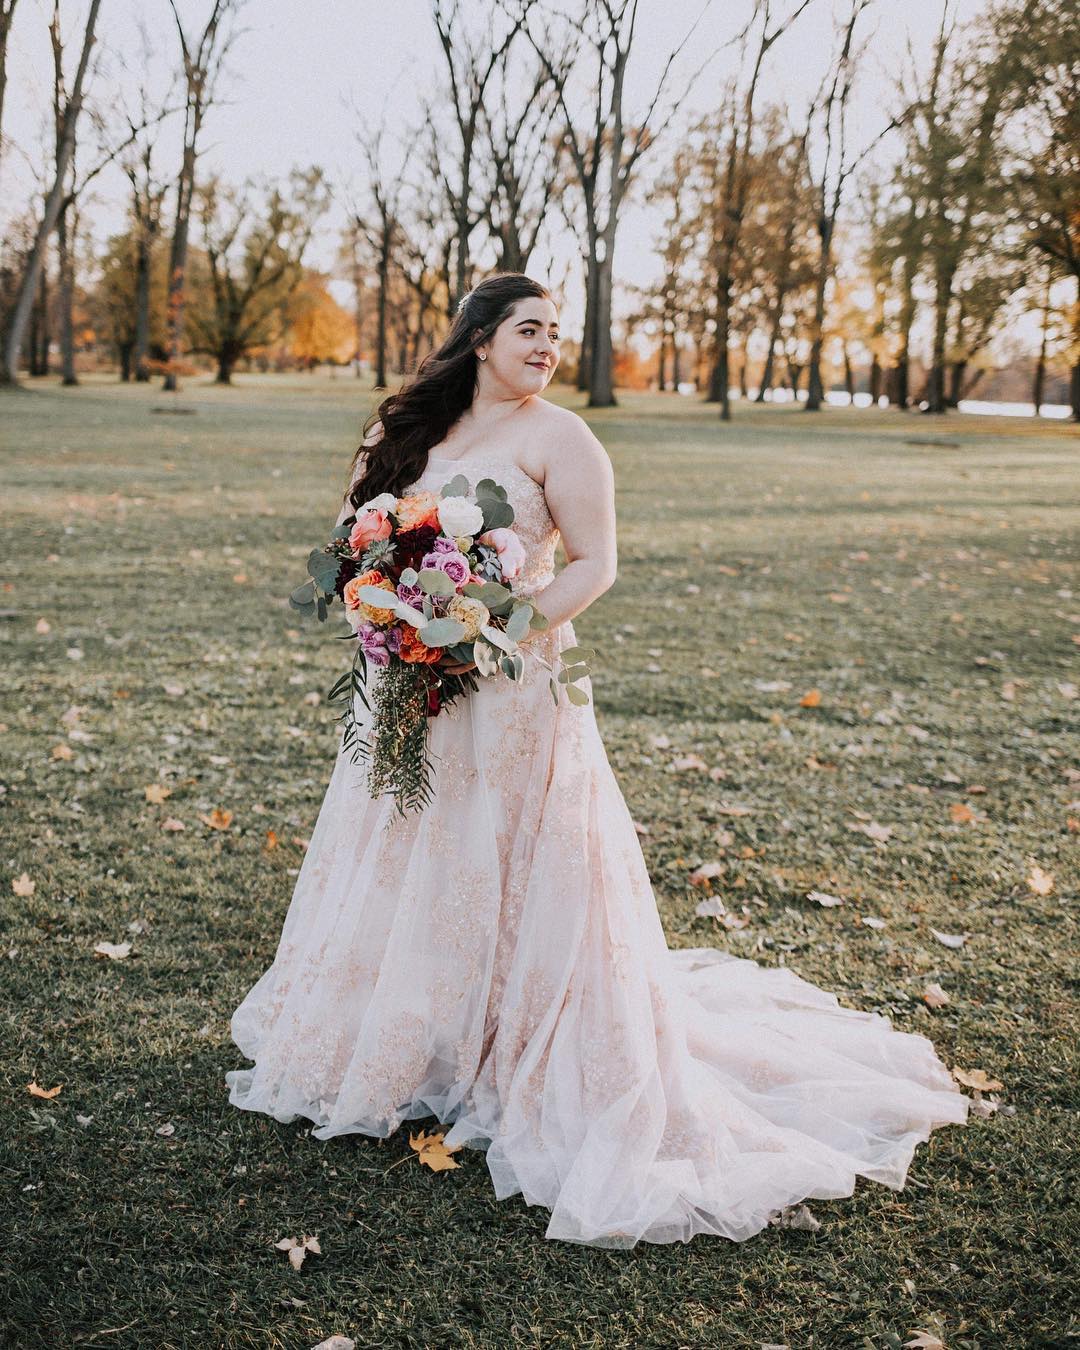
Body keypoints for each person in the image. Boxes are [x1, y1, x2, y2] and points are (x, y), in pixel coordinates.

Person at [225, 272, 969, 1248]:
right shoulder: (401, 432)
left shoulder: (562, 438)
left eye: (556, 334)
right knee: (413, 851)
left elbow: (595, 564)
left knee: (513, 862)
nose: (547, 348)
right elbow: (354, 540)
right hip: (405, 685)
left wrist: (494, 628)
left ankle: (518, 1050)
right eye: (529, 330)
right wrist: (388, 604)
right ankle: (409, 1045)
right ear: (480, 338)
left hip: (513, 691)